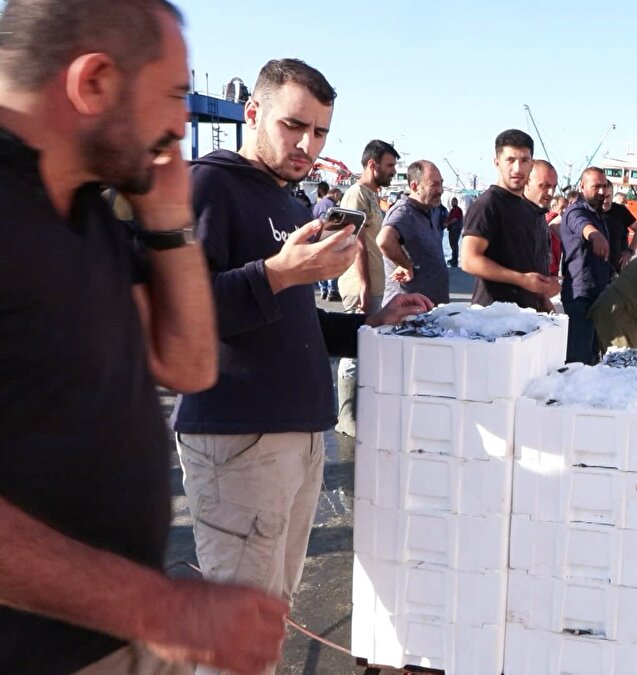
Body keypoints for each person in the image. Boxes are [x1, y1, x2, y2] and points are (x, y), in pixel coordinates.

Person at [0, 2, 295, 673]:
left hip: (121, 633)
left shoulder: (81, 201)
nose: (181, 120)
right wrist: (154, 606)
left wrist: (167, 219)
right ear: (94, 82)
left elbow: (188, 363)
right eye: (170, 94)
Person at [174, 59, 434, 673]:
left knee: (268, 618)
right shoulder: (207, 185)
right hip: (237, 436)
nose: (307, 145)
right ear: (253, 112)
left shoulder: (291, 206)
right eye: (295, 126)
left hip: (297, 436)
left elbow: (293, 318)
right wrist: (278, 272)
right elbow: (178, 314)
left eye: (320, 132)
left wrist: (366, 324)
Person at [333, 139, 400, 437]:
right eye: (389, 166)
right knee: (353, 349)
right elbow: (354, 240)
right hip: (361, 283)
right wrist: (363, 283)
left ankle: (361, 410)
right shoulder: (356, 195)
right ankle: (346, 417)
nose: (393, 171)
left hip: (374, 282)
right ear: (372, 165)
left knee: (367, 347)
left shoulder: (373, 196)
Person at [461, 129, 559, 310]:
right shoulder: (487, 205)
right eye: (510, 160)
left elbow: (525, 263)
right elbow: (468, 260)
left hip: (525, 317)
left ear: (532, 164)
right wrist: (522, 280)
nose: (518, 168)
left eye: (524, 161)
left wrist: (541, 297)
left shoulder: (527, 209)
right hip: (493, 318)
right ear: (497, 162)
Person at [560, 167, 613, 363]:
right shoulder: (576, 210)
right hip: (580, 295)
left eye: (604, 186)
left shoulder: (598, 214)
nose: (601, 191)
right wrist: (594, 235)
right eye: (596, 186)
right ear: (582, 186)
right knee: (577, 361)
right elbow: (580, 224)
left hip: (597, 294)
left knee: (592, 357)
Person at [379, 160, 448, 305]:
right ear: (414, 186)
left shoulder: (429, 210)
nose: (440, 190)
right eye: (434, 185)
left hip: (429, 310)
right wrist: (405, 265)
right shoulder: (403, 212)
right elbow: (384, 240)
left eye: (441, 183)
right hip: (408, 313)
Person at [603, 180, 637, 270]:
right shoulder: (591, 211)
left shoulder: (620, 211)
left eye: (608, 197)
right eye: (602, 197)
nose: (605, 201)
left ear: (612, 195)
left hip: (615, 267)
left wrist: (630, 251)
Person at [446, 196, 464, 266]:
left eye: (454, 201)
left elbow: (455, 219)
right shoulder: (452, 210)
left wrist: (448, 224)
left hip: (456, 229)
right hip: (451, 229)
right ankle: (453, 258)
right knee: (452, 244)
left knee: (454, 244)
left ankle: (455, 259)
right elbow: (449, 218)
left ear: (457, 202)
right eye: (452, 201)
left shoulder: (458, 210)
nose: (453, 202)